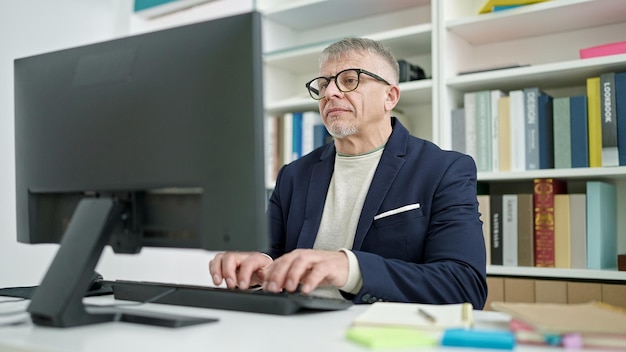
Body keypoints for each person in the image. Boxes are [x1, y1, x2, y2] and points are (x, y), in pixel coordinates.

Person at [209, 37, 487, 309]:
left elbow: (465, 285)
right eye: (323, 84)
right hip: (296, 326)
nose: (330, 93)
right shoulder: (293, 175)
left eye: (350, 80)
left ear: (390, 96)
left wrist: (350, 268)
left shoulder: (444, 169)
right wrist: (257, 266)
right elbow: (271, 255)